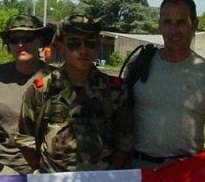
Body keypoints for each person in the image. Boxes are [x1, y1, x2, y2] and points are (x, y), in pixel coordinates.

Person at [16, 13, 133, 173]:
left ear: (98, 45)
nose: (83, 50)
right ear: (59, 46)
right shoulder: (42, 89)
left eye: (90, 43)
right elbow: (26, 140)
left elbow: (125, 142)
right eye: (74, 43)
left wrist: (109, 175)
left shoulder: (114, 90)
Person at [127, 0, 205, 168]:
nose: (173, 30)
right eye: (167, 22)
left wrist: (194, 162)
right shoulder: (139, 64)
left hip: (185, 172)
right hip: (137, 170)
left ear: (195, 24)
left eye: (181, 22)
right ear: (159, 25)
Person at [0, 14, 53, 173]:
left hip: (45, 170)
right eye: (14, 40)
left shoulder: (55, 79)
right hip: (0, 170)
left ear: (39, 41)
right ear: (8, 45)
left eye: (27, 38)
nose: (21, 44)